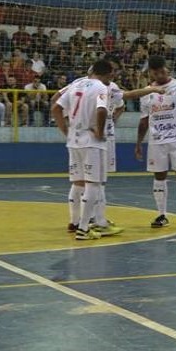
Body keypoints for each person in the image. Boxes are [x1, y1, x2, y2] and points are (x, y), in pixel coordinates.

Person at [51, 59, 123, 240]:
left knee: (78, 182)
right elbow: (101, 111)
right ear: (107, 74)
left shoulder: (76, 84)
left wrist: (66, 131)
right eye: (111, 74)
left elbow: (56, 108)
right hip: (91, 142)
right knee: (93, 184)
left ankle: (75, 222)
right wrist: (99, 131)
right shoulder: (101, 88)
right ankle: (84, 228)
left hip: (73, 140)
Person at [135, 55, 176, 231]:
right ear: (151, 73)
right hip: (156, 142)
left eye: (163, 71)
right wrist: (138, 143)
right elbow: (143, 122)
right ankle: (161, 214)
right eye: (156, 73)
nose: (160, 75)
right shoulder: (146, 93)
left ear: (167, 69)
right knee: (159, 176)